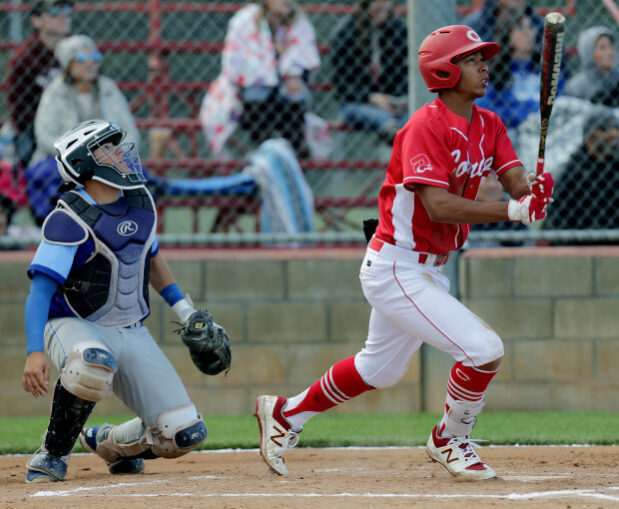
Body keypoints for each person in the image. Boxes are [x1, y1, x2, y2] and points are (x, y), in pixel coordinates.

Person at [254, 25, 554, 481]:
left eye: (482, 59)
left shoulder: (489, 124)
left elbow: (515, 182)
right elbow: (438, 205)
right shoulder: (424, 127)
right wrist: (514, 211)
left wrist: (534, 190)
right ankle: (449, 439)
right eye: (472, 59)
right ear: (444, 69)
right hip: (397, 267)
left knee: (380, 369)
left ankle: (285, 413)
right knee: (484, 350)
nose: (484, 66)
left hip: (428, 270)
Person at [22, 119, 230, 483]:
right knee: (91, 365)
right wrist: (33, 350)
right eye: (107, 148)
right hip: (74, 324)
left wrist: (185, 309)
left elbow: (152, 261)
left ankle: (110, 443)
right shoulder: (69, 217)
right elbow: (39, 290)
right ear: (85, 165)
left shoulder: (140, 202)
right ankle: (53, 452)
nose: (120, 153)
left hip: (130, 330)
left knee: (183, 433)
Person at [25, 34, 140, 225]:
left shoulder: (108, 88)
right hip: (64, 160)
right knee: (43, 175)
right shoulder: (55, 92)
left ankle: (123, 228)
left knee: (136, 173)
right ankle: (54, 226)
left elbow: (130, 132)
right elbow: (44, 136)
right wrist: (78, 156)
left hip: (108, 158)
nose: (90, 64)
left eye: (95, 58)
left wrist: (110, 154)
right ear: (67, 64)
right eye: (81, 59)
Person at [199, 0, 320, 157]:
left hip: (283, 89)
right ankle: (264, 149)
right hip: (251, 89)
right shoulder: (245, 20)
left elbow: (304, 55)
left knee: (295, 92)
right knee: (257, 92)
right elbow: (236, 63)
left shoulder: (298, 21)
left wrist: (291, 71)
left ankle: (293, 150)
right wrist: (271, 62)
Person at [5, 0, 72, 169]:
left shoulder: (78, 52)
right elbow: (18, 112)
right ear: (36, 20)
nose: (64, 15)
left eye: (67, 9)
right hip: (38, 129)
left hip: (76, 122)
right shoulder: (24, 58)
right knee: (25, 153)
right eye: (54, 11)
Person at [330, 0, 408, 143]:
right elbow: (341, 87)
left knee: (415, 116)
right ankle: (394, 132)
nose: (381, 9)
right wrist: (371, 97)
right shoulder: (346, 33)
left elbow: (404, 75)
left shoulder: (398, 30)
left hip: (392, 102)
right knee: (385, 120)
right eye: (376, 8)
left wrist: (396, 100)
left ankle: (400, 136)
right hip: (358, 103)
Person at [544, 110, 619, 232]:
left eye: (617, 127)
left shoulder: (615, 167)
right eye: (605, 128)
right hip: (580, 243)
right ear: (589, 135)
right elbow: (557, 218)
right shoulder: (573, 170)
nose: (614, 133)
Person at [565, 26, 619, 108]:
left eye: (610, 46)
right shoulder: (576, 87)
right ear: (588, 52)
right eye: (602, 47)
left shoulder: (616, 80)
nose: (610, 52)